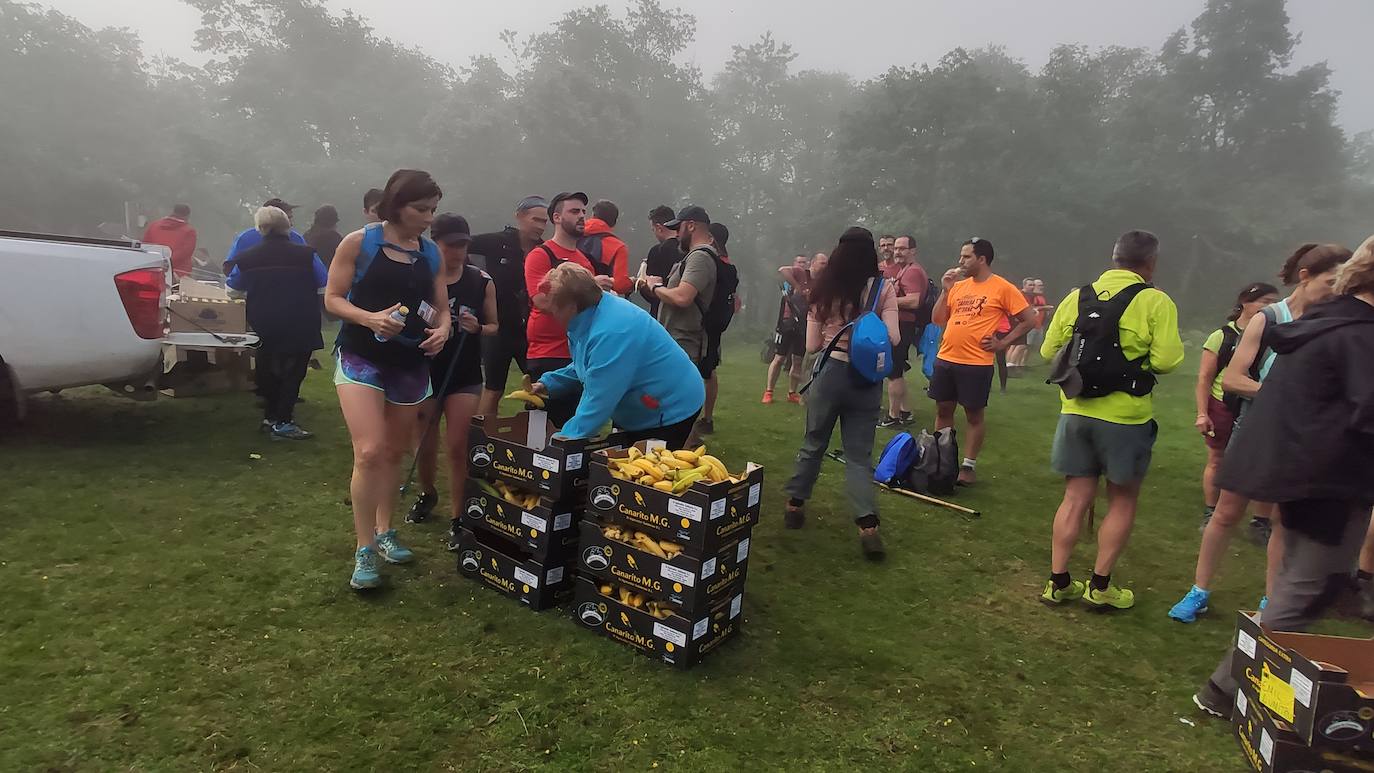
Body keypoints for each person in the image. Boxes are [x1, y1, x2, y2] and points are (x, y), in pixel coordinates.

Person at [1192, 235, 1374, 718]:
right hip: (1328, 480)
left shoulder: (1327, 321)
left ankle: (1242, 686)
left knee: (1302, 580)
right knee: (1310, 588)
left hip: (1301, 470)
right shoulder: (1360, 335)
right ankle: (1225, 689)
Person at [1168, 244, 1352, 623]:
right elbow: (1234, 378)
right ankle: (1198, 591)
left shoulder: (1331, 322)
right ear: (1305, 275)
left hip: (1303, 436)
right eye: (1330, 281)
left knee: (1283, 521)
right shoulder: (1270, 318)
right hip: (1258, 426)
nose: (1334, 291)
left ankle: (1271, 604)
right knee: (1226, 513)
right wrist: (1284, 394)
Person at [1039, 230, 1184, 610]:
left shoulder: (1076, 296)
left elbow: (1047, 349)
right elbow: (1168, 361)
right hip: (1126, 416)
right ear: (1150, 263)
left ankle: (1058, 582)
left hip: (1075, 410)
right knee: (1121, 500)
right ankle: (1100, 588)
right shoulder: (1155, 301)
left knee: (1074, 497)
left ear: (1114, 257)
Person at [324, 169, 452, 591]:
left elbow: (441, 304)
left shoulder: (430, 252)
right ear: (397, 205)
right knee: (369, 451)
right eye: (421, 209)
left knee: (395, 452)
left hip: (410, 362)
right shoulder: (360, 242)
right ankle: (364, 550)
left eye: (433, 209)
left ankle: (384, 531)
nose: (429, 217)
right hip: (361, 357)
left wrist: (444, 329)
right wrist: (370, 318)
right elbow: (332, 298)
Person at [782, 227, 900, 560]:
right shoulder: (884, 288)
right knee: (858, 456)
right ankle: (867, 525)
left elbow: (811, 345)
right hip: (867, 380)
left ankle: (794, 505)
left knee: (814, 442)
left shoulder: (824, 288)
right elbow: (892, 337)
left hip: (831, 372)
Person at [524, 264, 705, 447]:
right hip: (640, 403)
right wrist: (549, 383)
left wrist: (562, 442)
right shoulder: (588, 314)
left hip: (668, 406)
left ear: (571, 306)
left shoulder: (612, 332)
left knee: (648, 469)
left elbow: (598, 402)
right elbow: (590, 365)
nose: (551, 314)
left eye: (554, 307)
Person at [404, 214, 499, 549]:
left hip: (464, 373)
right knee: (424, 441)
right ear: (434, 243)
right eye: (450, 245)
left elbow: (494, 326)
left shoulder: (481, 280)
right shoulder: (421, 277)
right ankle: (427, 494)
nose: (458, 252)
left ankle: (459, 517)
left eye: (463, 245)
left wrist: (477, 328)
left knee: (458, 447)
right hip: (426, 370)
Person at [929, 237, 1037, 485]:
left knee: (973, 415)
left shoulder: (1002, 288)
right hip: (946, 358)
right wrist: (945, 290)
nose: (960, 261)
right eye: (960, 256)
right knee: (943, 409)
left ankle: (968, 466)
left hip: (976, 362)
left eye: (966, 257)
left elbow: (1029, 320)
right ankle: (940, 459)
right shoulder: (958, 286)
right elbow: (937, 319)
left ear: (982, 259)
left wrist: (1003, 343)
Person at [228, 206, 327, 439]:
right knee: (294, 371)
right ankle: (284, 420)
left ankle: (270, 417)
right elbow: (324, 284)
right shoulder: (306, 254)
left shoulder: (246, 258)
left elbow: (232, 291)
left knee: (268, 369)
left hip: (264, 319)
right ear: (288, 227)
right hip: (301, 318)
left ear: (260, 228)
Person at [1192, 283, 1280, 525]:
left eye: (1274, 301)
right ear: (1244, 302)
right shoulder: (1222, 336)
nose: (1270, 306)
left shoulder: (1277, 335)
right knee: (1217, 459)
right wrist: (1202, 413)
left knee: (1266, 462)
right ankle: (1212, 511)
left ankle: (1261, 520)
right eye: (1264, 301)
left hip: (1259, 406)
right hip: (1223, 405)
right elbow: (1204, 378)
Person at [525, 192, 612, 427]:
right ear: (556, 217)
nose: (582, 216)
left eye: (584, 211)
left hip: (578, 353)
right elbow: (541, 300)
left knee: (575, 425)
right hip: (547, 353)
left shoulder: (584, 260)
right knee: (540, 430)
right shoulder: (541, 254)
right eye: (574, 211)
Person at [470, 195, 548, 419]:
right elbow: (456, 245)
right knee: (494, 388)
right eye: (536, 220)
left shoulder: (544, 251)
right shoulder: (497, 242)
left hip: (531, 331)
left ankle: (535, 442)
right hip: (498, 328)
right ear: (520, 217)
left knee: (539, 387)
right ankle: (482, 444)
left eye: (544, 222)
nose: (541, 226)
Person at [640, 206, 717, 379]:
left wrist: (655, 286)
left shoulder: (700, 257)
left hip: (685, 343)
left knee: (673, 401)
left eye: (678, 228)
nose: (676, 234)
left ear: (691, 226)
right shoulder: (698, 255)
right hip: (683, 342)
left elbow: (683, 297)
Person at [879, 234, 929, 428]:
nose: (896, 252)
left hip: (904, 324)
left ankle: (893, 417)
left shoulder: (913, 271)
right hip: (902, 323)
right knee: (896, 370)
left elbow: (914, 300)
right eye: (896, 248)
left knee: (894, 373)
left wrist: (885, 301)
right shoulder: (905, 270)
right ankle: (906, 412)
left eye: (902, 248)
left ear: (913, 251)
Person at [764, 254, 811, 404]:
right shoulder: (792, 277)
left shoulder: (808, 279)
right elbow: (782, 270)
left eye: (804, 262)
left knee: (797, 360)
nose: (801, 265)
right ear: (794, 264)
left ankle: (792, 393)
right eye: (799, 262)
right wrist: (797, 287)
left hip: (803, 323)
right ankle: (769, 391)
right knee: (779, 358)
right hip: (786, 322)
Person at [224, 197, 307, 276]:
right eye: (287, 218)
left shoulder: (298, 239)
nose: (291, 223)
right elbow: (229, 268)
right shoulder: (245, 239)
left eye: (291, 218)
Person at [582, 199, 633, 295]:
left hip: (568, 298)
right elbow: (620, 286)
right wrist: (632, 282)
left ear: (593, 214)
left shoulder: (571, 235)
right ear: (614, 222)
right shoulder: (618, 247)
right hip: (597, 299)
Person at [642, 205, 682, 318]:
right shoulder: (689, 248)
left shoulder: (657, 251)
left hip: (662, 314)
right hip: (686, 316)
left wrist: (641, 280)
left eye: (653, 229)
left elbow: (650, 293)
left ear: (659, 228)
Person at [142, 204, 198, 279]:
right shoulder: (189, 231)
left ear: (173, 211)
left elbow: (145, 246)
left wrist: (155, 262)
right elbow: (185, 253)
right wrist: (167, 262)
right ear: (187, 216)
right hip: (178, 274)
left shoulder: (154, 225)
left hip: (152, 269)